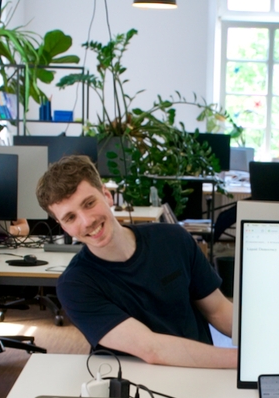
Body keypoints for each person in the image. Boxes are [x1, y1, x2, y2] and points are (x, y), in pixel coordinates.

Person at [36, 155, 236, 369]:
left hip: (202, 372)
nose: (86, 221)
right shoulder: (75, 285)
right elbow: (152, 348)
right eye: (70, 218)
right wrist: (244, 362)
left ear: (107, 195)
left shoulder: (173, 239)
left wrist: (265, 342)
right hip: (136, 390)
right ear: (63, 226)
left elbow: (217, 310)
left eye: (89, 204)